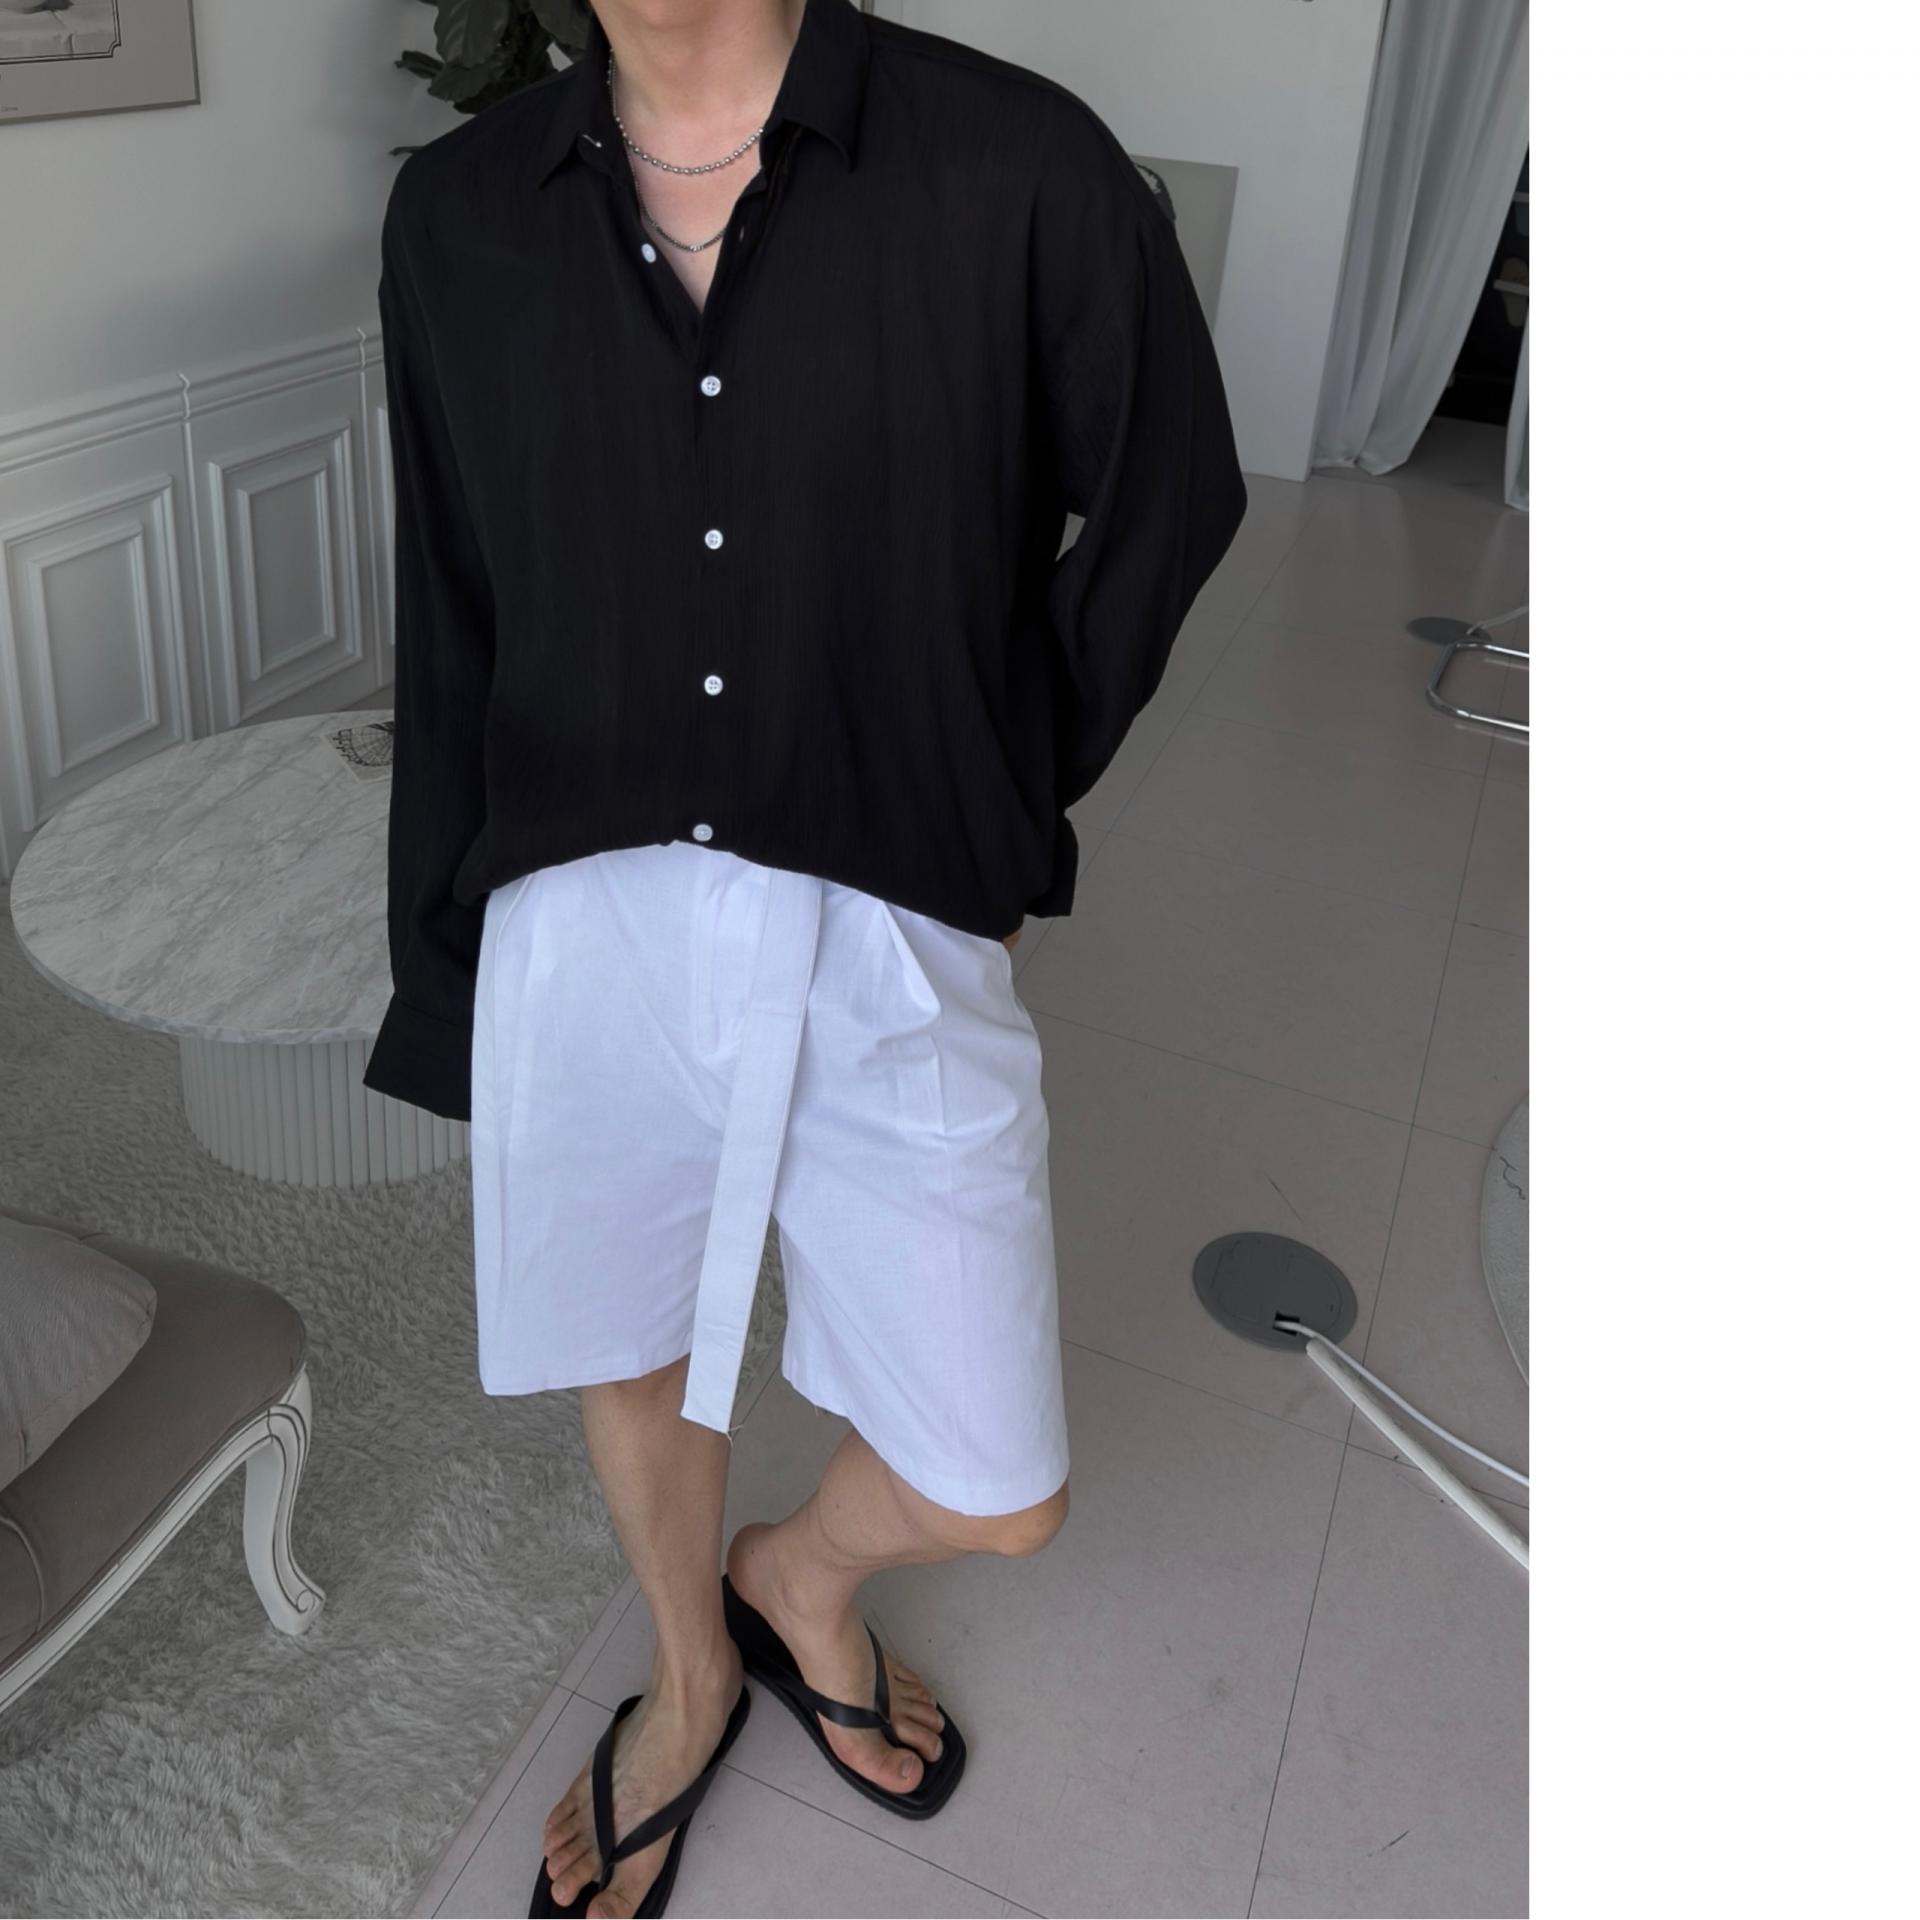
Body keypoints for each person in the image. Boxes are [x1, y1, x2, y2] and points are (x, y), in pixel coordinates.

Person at [362, 0, 1247, 1911]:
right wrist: (444, 964)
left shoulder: (1020, 164)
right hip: (583, 908)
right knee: (628, 1342)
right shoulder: (458, 213)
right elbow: (453, 605)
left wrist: (997, 787)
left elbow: (1171, 494)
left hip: (887, 901)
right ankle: (692, 1675)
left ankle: (796, 1575)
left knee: (1001, 1489)